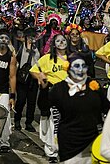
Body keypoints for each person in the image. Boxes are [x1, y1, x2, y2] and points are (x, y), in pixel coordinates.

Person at [43, 53, 110, 163]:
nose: (81, 69)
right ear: (68, 68)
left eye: (83, 66)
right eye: (77, 66)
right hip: (70, 143)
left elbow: (108, 108)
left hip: (92, 141)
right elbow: (44, 107)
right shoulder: (59, 88)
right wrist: (43, 89)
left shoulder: (93, 85)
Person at [30, 34, 69, 163]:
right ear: (54, 44)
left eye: (63, 40)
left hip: (70, 94)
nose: (61, 42)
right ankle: (52, 152)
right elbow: (33, 71)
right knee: (54, 123)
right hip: (54, 94)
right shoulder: (47, 58)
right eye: (58, 40)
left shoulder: (73, 58)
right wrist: (40, 77)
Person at [14, 27, 40, 132]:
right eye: (29, 37)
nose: (31, 39)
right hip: (22, 78)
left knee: (32, 102)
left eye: (33, 37)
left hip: (33, 79)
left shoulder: (37, 48)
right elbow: (17, 59)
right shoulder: (21, 47)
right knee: (20, 100)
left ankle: (29, 122)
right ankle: (16, 120)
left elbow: (38, 62)